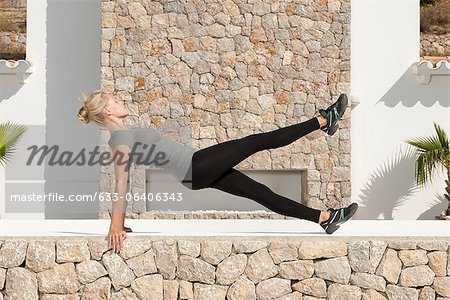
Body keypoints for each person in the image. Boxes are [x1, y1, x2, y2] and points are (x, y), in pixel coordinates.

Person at [77, 90, 358, 252]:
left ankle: (324, 218)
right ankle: (323, 120)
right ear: (106, 112)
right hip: (195, 165)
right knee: (256, 142)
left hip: (194, 172)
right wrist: (114, 224)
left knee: (259, 192)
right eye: (113, 100)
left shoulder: (123, 135)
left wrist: (117, 221)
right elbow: (121, 183)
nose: (119, 100)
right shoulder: (121, 140)